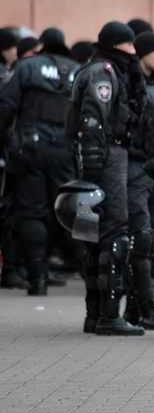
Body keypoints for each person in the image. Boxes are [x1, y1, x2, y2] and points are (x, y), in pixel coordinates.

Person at [66, 21, 148, 335]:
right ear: (117, 46)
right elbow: (92, 120)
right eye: (130, 46)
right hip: (108, 155)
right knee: (114, 231)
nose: (133, 52)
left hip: (101, 155)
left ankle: (94, 314)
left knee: (92, 233)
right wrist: (93, 168)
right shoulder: (103, 72)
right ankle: (109, 315)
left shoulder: (99, 68)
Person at [0, 27, 80, 296]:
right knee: (67, 210)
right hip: (66, 150)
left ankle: (38, 281)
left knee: (32, 211)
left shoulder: (27, 66)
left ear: (42, 45)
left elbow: (6, 106)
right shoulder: (79, 70)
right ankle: (87, 276)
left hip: (30, 147)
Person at [120, 31, 154, 330]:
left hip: (151, 172)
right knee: (139, 239)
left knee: (145, 237)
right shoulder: (132, 86)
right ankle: (146, 309)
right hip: (136, 169)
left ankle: (133, 310)